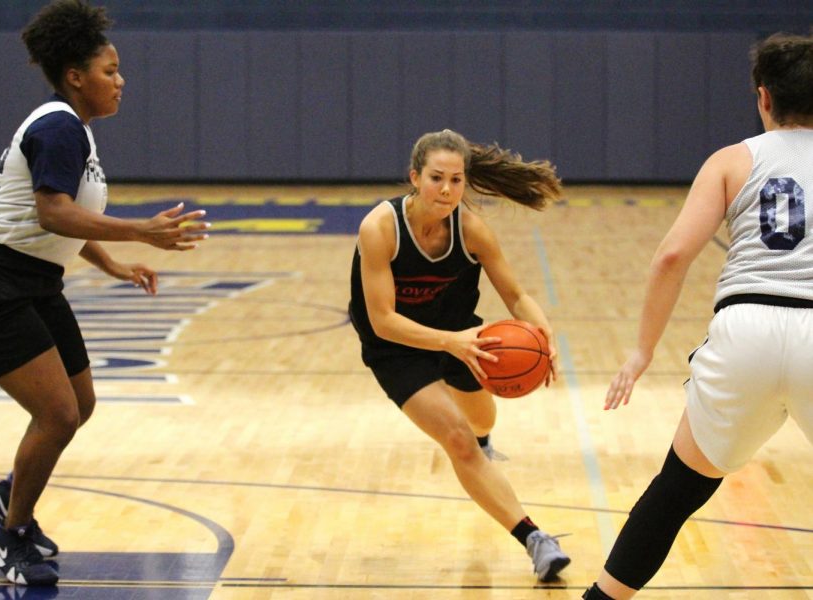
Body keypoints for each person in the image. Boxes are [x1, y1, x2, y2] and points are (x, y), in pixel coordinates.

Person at [0, 0, 209, 586]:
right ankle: (10, 535)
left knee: (80, 404)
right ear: (75, 77)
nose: (121, 80)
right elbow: (54, 213)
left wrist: (111, 261)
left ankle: (10, 492)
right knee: (57, 413)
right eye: (110, 70)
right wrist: (141, 229)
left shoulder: (74, 131)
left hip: (31, 280)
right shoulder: (59, 125)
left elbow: (64, 218)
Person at [582, 33, 813, 599]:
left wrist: (641, 353)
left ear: (763, 98)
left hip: (744, 333)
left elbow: (671, 256)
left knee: (678, 491)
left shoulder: (733, 160)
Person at [348, 129, 571, 581]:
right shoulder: (380, 229)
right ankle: (535, 539)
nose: (447, 190)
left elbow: (516, 294)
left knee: (482, 422)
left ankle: (485, 443)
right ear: (415, 177)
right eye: (436, 179)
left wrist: (543, 334)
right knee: (457, 439)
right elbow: (382, 321)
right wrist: (452, 343)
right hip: (397, 349)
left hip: (460, 334)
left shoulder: (470, 229)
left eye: (456, 180)